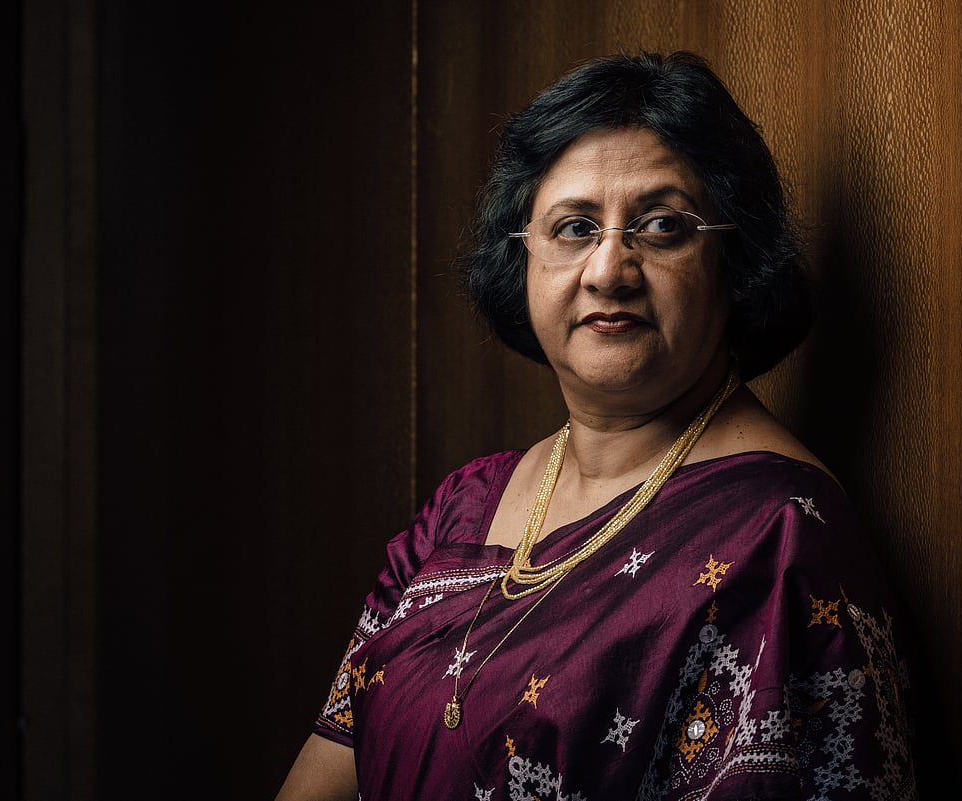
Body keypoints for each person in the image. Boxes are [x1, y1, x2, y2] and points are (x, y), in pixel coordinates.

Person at [276, 51, 918, 801]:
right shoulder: (462, 507)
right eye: (575, 227)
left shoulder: (779, 533)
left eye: (661, 226)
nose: (609, 268)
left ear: (732, 261)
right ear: (523, 260)